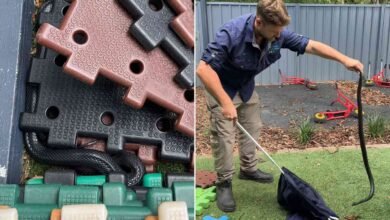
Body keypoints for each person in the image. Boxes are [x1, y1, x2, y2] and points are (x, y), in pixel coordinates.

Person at [196, 0, 364, 212]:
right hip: (221, 87)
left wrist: (344, 59)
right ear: (259, 22)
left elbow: (311, 45)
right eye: (275, 31)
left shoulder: (277, 32)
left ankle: (248, 169)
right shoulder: (231, 33)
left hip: (246, 87)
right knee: (225, 137)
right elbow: (203, 69)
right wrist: (225, 102)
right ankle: (224, 182)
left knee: (253, 127)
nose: (279, 36)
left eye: (281, 31)